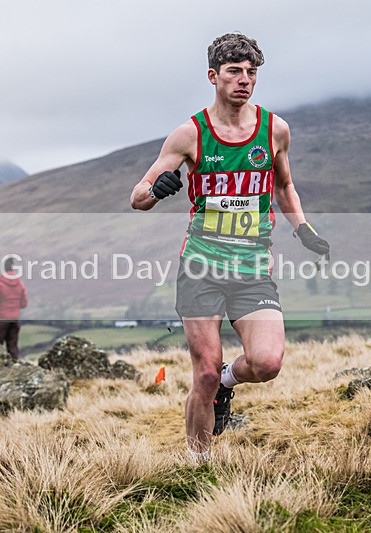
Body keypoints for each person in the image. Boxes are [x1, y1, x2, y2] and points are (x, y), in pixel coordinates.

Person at [130, 32, 329, 463]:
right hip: (201, 267)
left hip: (252, 267)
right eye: (234, 71)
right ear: (213, 76)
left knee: (267, 362)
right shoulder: (190, 134)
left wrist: (304, 230)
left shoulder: (274, 130)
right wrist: (157, 190)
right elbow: (138, 196)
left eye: (251, 72)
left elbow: (284, 186)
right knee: (202, 373)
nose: (244, 80)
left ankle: (227, 382)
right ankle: (198, 465)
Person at [0, 256, 28, 360]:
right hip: (14, 320)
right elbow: (24, 304)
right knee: (12, 348)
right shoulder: (20, 285)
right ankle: (15, 367)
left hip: (0, 321)